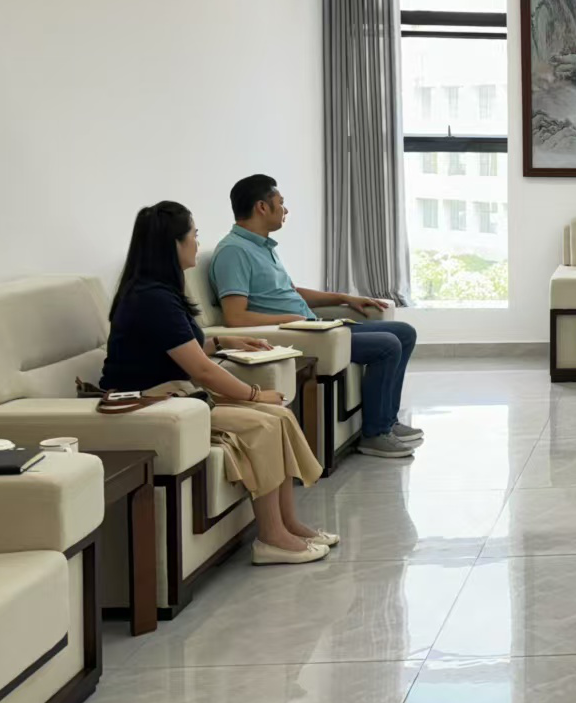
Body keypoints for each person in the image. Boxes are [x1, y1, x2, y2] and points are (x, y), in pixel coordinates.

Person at [101, 202, 334, 566]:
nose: (197, 242)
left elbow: (184, 348)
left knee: (280, 415)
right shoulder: (152, 299)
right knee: (263, 423)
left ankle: (289, 524)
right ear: (173, 244)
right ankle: (271, 538)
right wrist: (255, 394)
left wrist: (225, 341)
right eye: (193, 235)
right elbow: (203, 371)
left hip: (177, 396)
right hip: (153, 404)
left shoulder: (159, 292)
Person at [209, 175, 420, 460]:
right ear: (262, 207)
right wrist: (289, 319)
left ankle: (388, 421)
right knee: (387, 345)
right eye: (281, 203)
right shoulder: (234, 251)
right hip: (299, 335)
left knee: (404, 333)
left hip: (313, 327)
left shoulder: (262, 247)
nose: (285, 210)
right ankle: (375, 434)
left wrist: (344, 297)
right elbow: (235, 317)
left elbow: (290, 291)